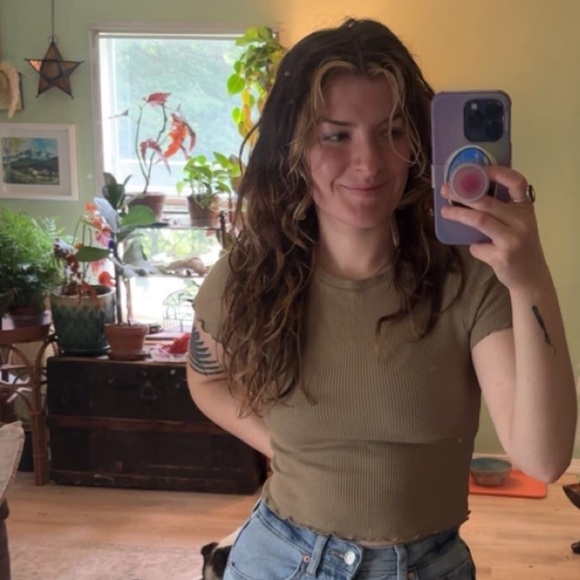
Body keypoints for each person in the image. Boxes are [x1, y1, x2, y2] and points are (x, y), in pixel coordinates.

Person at [187, 17, 577, 579]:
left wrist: (531, 276)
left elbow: (541, 459)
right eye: (336, 135)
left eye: (392, 131)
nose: (369, 163)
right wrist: (289, 448)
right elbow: (207, 379)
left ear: (418, 141)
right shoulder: (249, 275)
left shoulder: (470, 276)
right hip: (279, 559)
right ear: (294, 147)